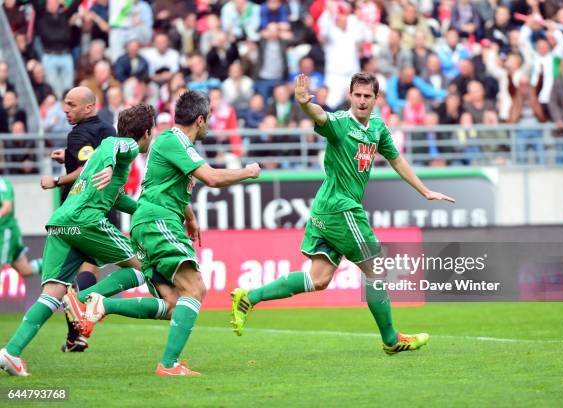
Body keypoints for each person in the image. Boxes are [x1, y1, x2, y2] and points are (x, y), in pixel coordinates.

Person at [230, 73, 455, 354]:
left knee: (319, 279)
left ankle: (249, 297)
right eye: (357, 95)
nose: (362, 101)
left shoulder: (377, 128)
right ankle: (390, 338)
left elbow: (396, 159)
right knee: (376, 268)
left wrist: (424, 191)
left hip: (325, 209)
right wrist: (303, 104)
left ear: (376, 99)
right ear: (350, 96)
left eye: (367, 96)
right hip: (341, 207)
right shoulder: (339, 124)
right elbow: (320, 116)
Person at [76, 91, 260, 376]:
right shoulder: (173, 140)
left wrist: (190, 217)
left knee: (174, 304)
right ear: (200, 120)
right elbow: (210, 177)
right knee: (196, 288)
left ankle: (102, 304)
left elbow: (165, 184)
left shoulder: (172, 142)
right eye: (208, 119)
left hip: (150, 222)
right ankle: (169, 364)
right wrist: (248, 171)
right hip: (157, 222)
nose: (209, 124)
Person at [0, 104, 157, 377]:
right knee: (143, 265)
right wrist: (109, 165)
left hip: (62, 223)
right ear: (146, 132)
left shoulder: (99, 157)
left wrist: (147, 211)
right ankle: (82, 300)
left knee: (51, 295)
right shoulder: (124, 146)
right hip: (85, 220)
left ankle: (10, 353)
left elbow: (115, 198)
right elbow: (113, 147)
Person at [39, 86, 117, 352]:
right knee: (91, 269)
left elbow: (86, 168)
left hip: (77, 211)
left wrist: (57, 180)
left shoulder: (77, 134)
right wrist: (69, 156)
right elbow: (96, 157)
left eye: (71, 105)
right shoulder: (109, 130)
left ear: (88, 107)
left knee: (62, 277)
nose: (65, 110)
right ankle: (76, 336)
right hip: (105, 206)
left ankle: (74, 304)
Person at [0, 177, 42, 278]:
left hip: (5, 233)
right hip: (8, 233)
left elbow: (7, 206)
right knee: (25, 269)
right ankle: (52, 264)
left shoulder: (2, 184)